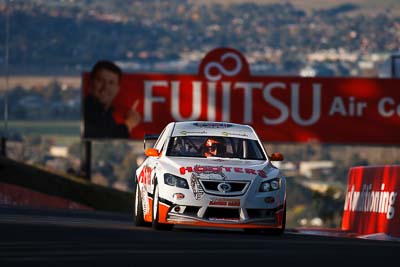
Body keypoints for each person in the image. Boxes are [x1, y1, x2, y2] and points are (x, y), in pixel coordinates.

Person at [83, 60, 140, 138]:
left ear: (117, 89)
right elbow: (102, 138)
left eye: (111, 83)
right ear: (91, 82)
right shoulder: (85, 112)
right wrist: (128, 124)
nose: (105, 87)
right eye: (100, 80)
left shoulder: (107, 114)